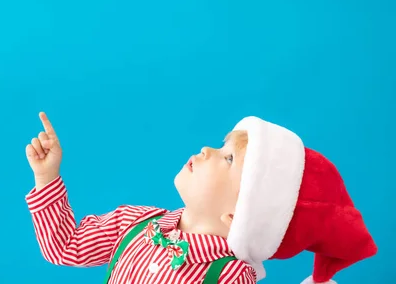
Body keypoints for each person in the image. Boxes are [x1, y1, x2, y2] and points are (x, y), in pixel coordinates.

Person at [24, 112, 377, 283]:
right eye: (222, 145)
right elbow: (65, 246)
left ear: (239, 216)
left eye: (228, 159)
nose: (207, 149)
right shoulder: (135, 222)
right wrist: (46, 177)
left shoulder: (230, 276)